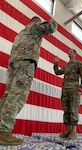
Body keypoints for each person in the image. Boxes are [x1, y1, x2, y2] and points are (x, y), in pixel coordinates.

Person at [0, 16, 57, 145]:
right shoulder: (34, 26)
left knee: (8, 95)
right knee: (18, 96)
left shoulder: (21, 33)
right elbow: (51, 28)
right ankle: (3, 132)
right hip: (25, 63)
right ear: (36, 22)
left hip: (14, 63)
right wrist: (53, 20)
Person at [53, 49, 82, 140]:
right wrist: (56, 63)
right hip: (65, 90)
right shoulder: (66, 66)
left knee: (73, 109)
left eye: (71, 52)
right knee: (66, 110)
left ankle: (73, 131)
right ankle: (68, 130)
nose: (69, 53)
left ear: (75, 54)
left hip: (74, 90)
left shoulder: (78, 63)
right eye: (68, 52)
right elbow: (57, 72)